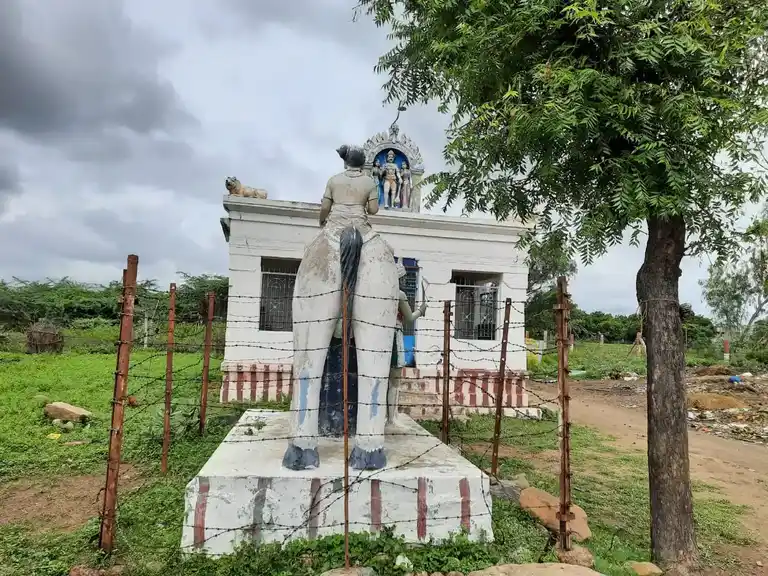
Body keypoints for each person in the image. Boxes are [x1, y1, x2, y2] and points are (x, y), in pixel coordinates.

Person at [387, 261, 427, 423]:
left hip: (382, 336)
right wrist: (421, 311)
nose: (404, 281)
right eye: (403, 278)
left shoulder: (384, 292)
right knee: (395, 380)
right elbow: (409, 317)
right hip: (395, 336)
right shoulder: (400, 294)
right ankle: (392, 418)